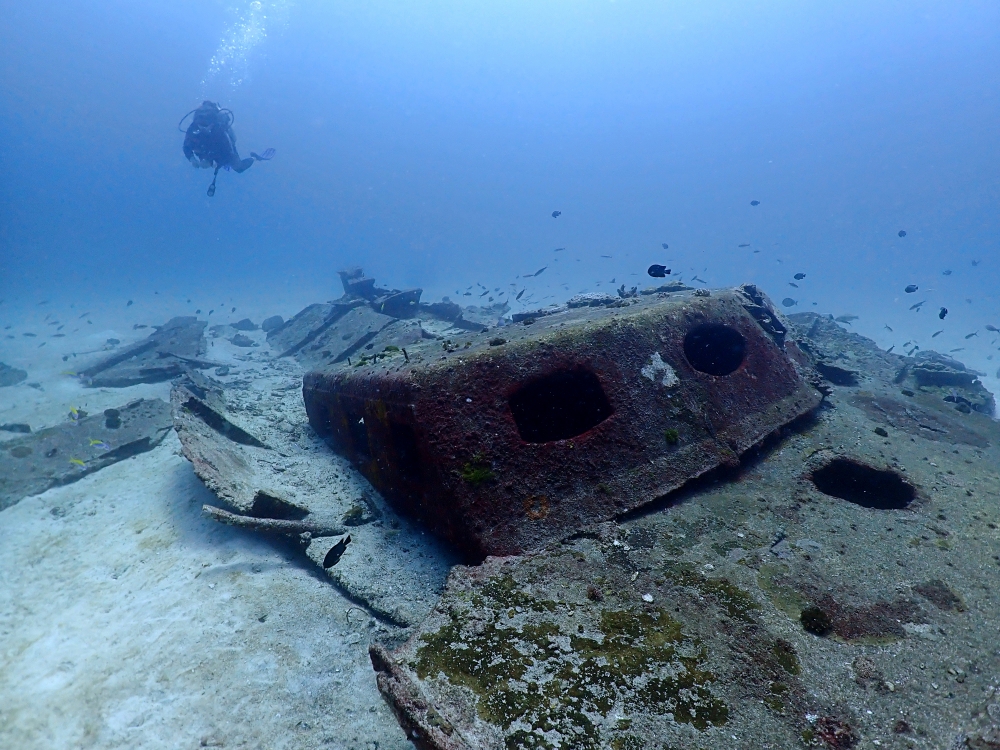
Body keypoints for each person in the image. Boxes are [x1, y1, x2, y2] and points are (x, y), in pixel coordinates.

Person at [179, 101, 273, 196]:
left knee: (238, 168)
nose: (203, 129)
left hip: (221, 151)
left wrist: (211, 161)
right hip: (206, 151)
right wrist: (191, 158)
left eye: (206, 125)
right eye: (200, 125)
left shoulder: (219, 131)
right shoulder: (193, 128)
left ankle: (255, 158)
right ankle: (217, 162)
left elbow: (228, 152)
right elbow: (186, 146)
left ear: (212, 123)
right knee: (218, 161)